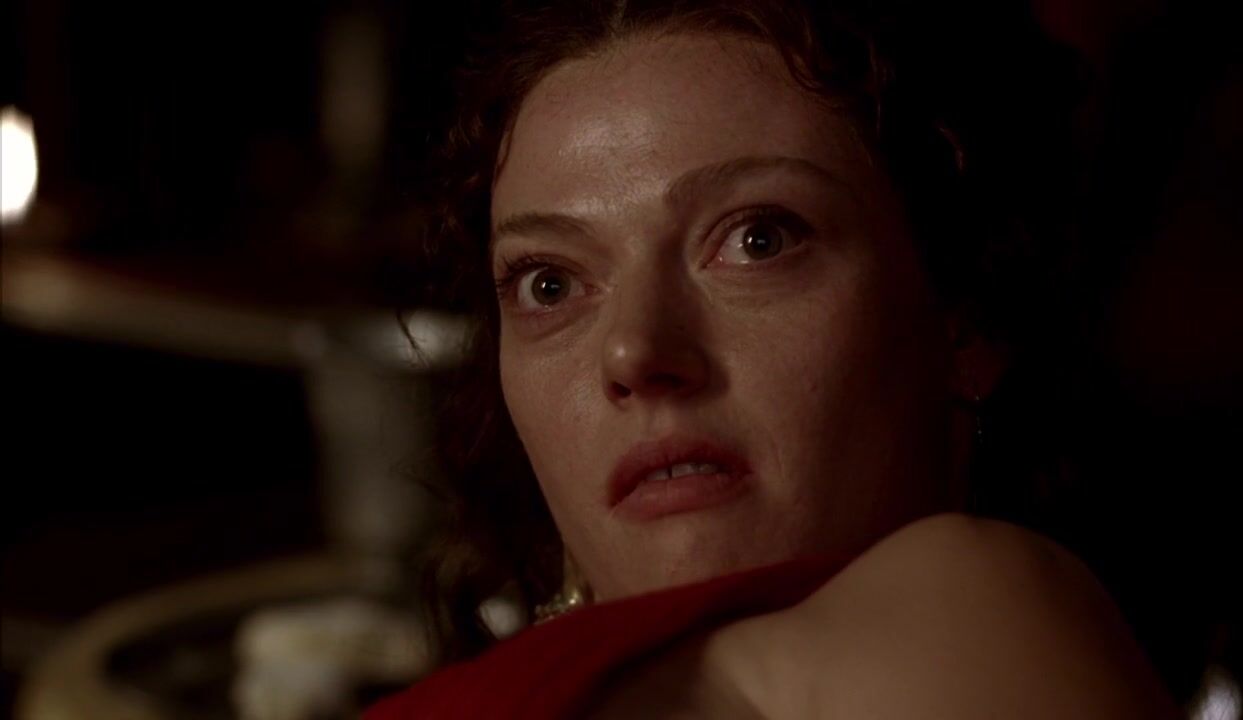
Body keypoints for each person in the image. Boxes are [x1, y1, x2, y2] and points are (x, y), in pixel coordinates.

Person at [368, 0, 1183, 716]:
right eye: (548, 285)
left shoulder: (974, 605)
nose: (634, 351)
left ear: (965, 316)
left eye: (757, 240)